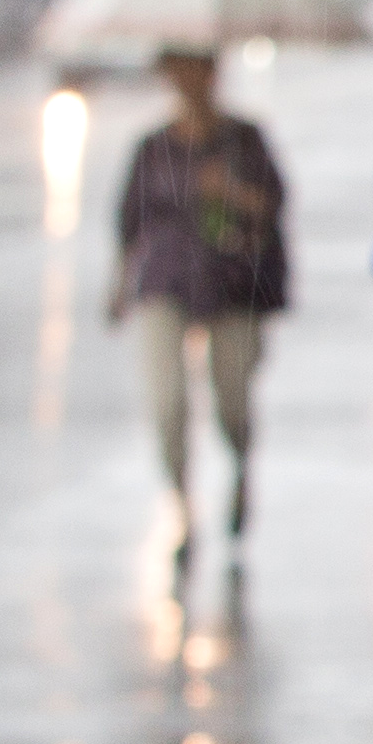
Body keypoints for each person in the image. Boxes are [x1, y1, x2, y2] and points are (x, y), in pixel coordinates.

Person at [111, 44, 291, 537]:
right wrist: (119, 284)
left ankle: (239, 467)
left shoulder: (244, 140)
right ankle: (181, 501)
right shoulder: (153, 146)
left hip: (232, 281)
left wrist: (229, 193)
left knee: (232, 396)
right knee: (167, 401)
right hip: (166, 280)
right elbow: (129, 220)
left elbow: (275, 205)